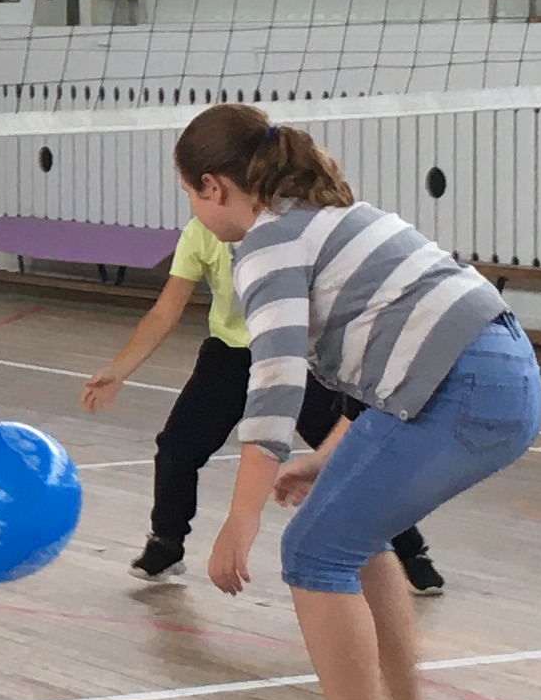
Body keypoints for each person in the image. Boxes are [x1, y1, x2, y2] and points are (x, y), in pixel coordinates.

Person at [181, 102, 541, 700]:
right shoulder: (331, 217)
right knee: (354, 533)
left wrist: (239, 520)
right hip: (505, 373)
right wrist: (328, 459)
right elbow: (396, 360)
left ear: (214, 187)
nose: (193, 211)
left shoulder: (266, 243)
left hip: (462, 385)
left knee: (313, 552)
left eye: (190, 195)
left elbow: (275, 385)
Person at [83, 216, 442, 595]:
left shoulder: (287, 228)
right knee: (177, 447)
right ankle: (166, 542)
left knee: (347, 455)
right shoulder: (200, 232)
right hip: (230, 355)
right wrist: (118, 369)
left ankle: (410, 550)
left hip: (295, 353)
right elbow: (164, 311)